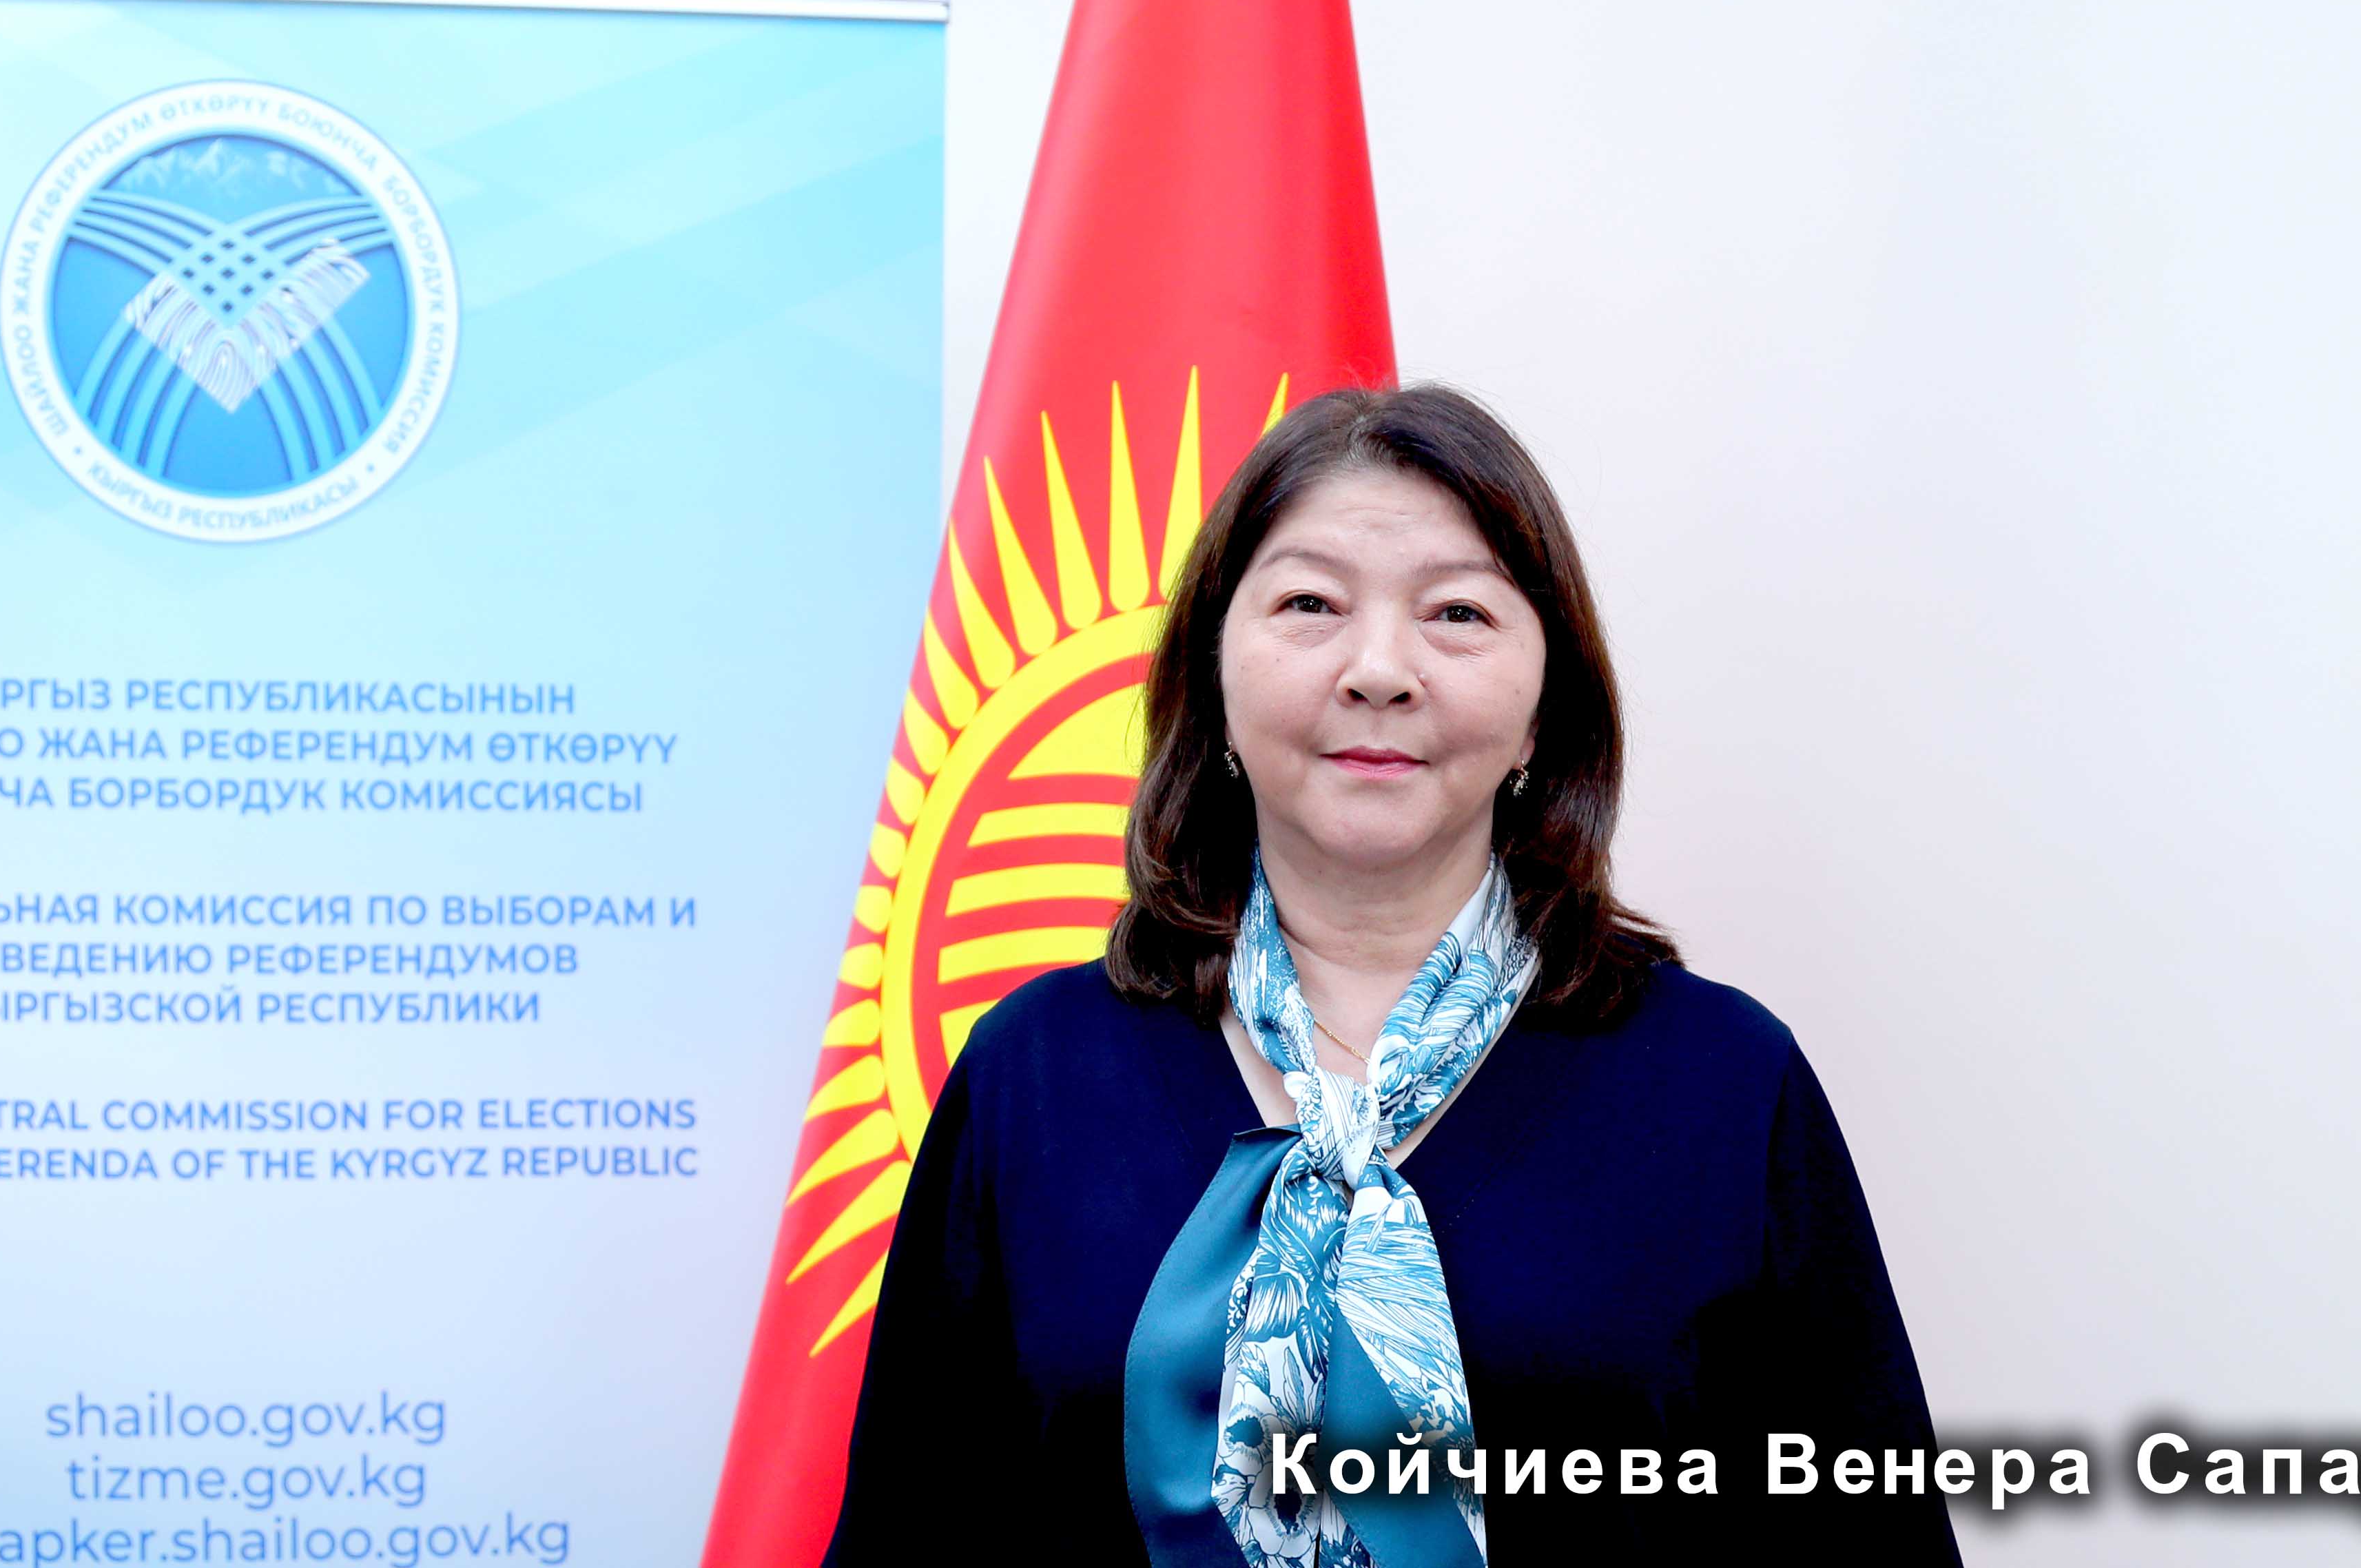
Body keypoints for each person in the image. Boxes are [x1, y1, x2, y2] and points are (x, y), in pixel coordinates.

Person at [823, 384, 1956, 1565]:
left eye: (1456, 613)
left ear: (1542, 713)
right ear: (1212, 676)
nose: (1378, 670)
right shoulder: (1037, 1072)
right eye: (1308, 604)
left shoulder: (1720, 1082)